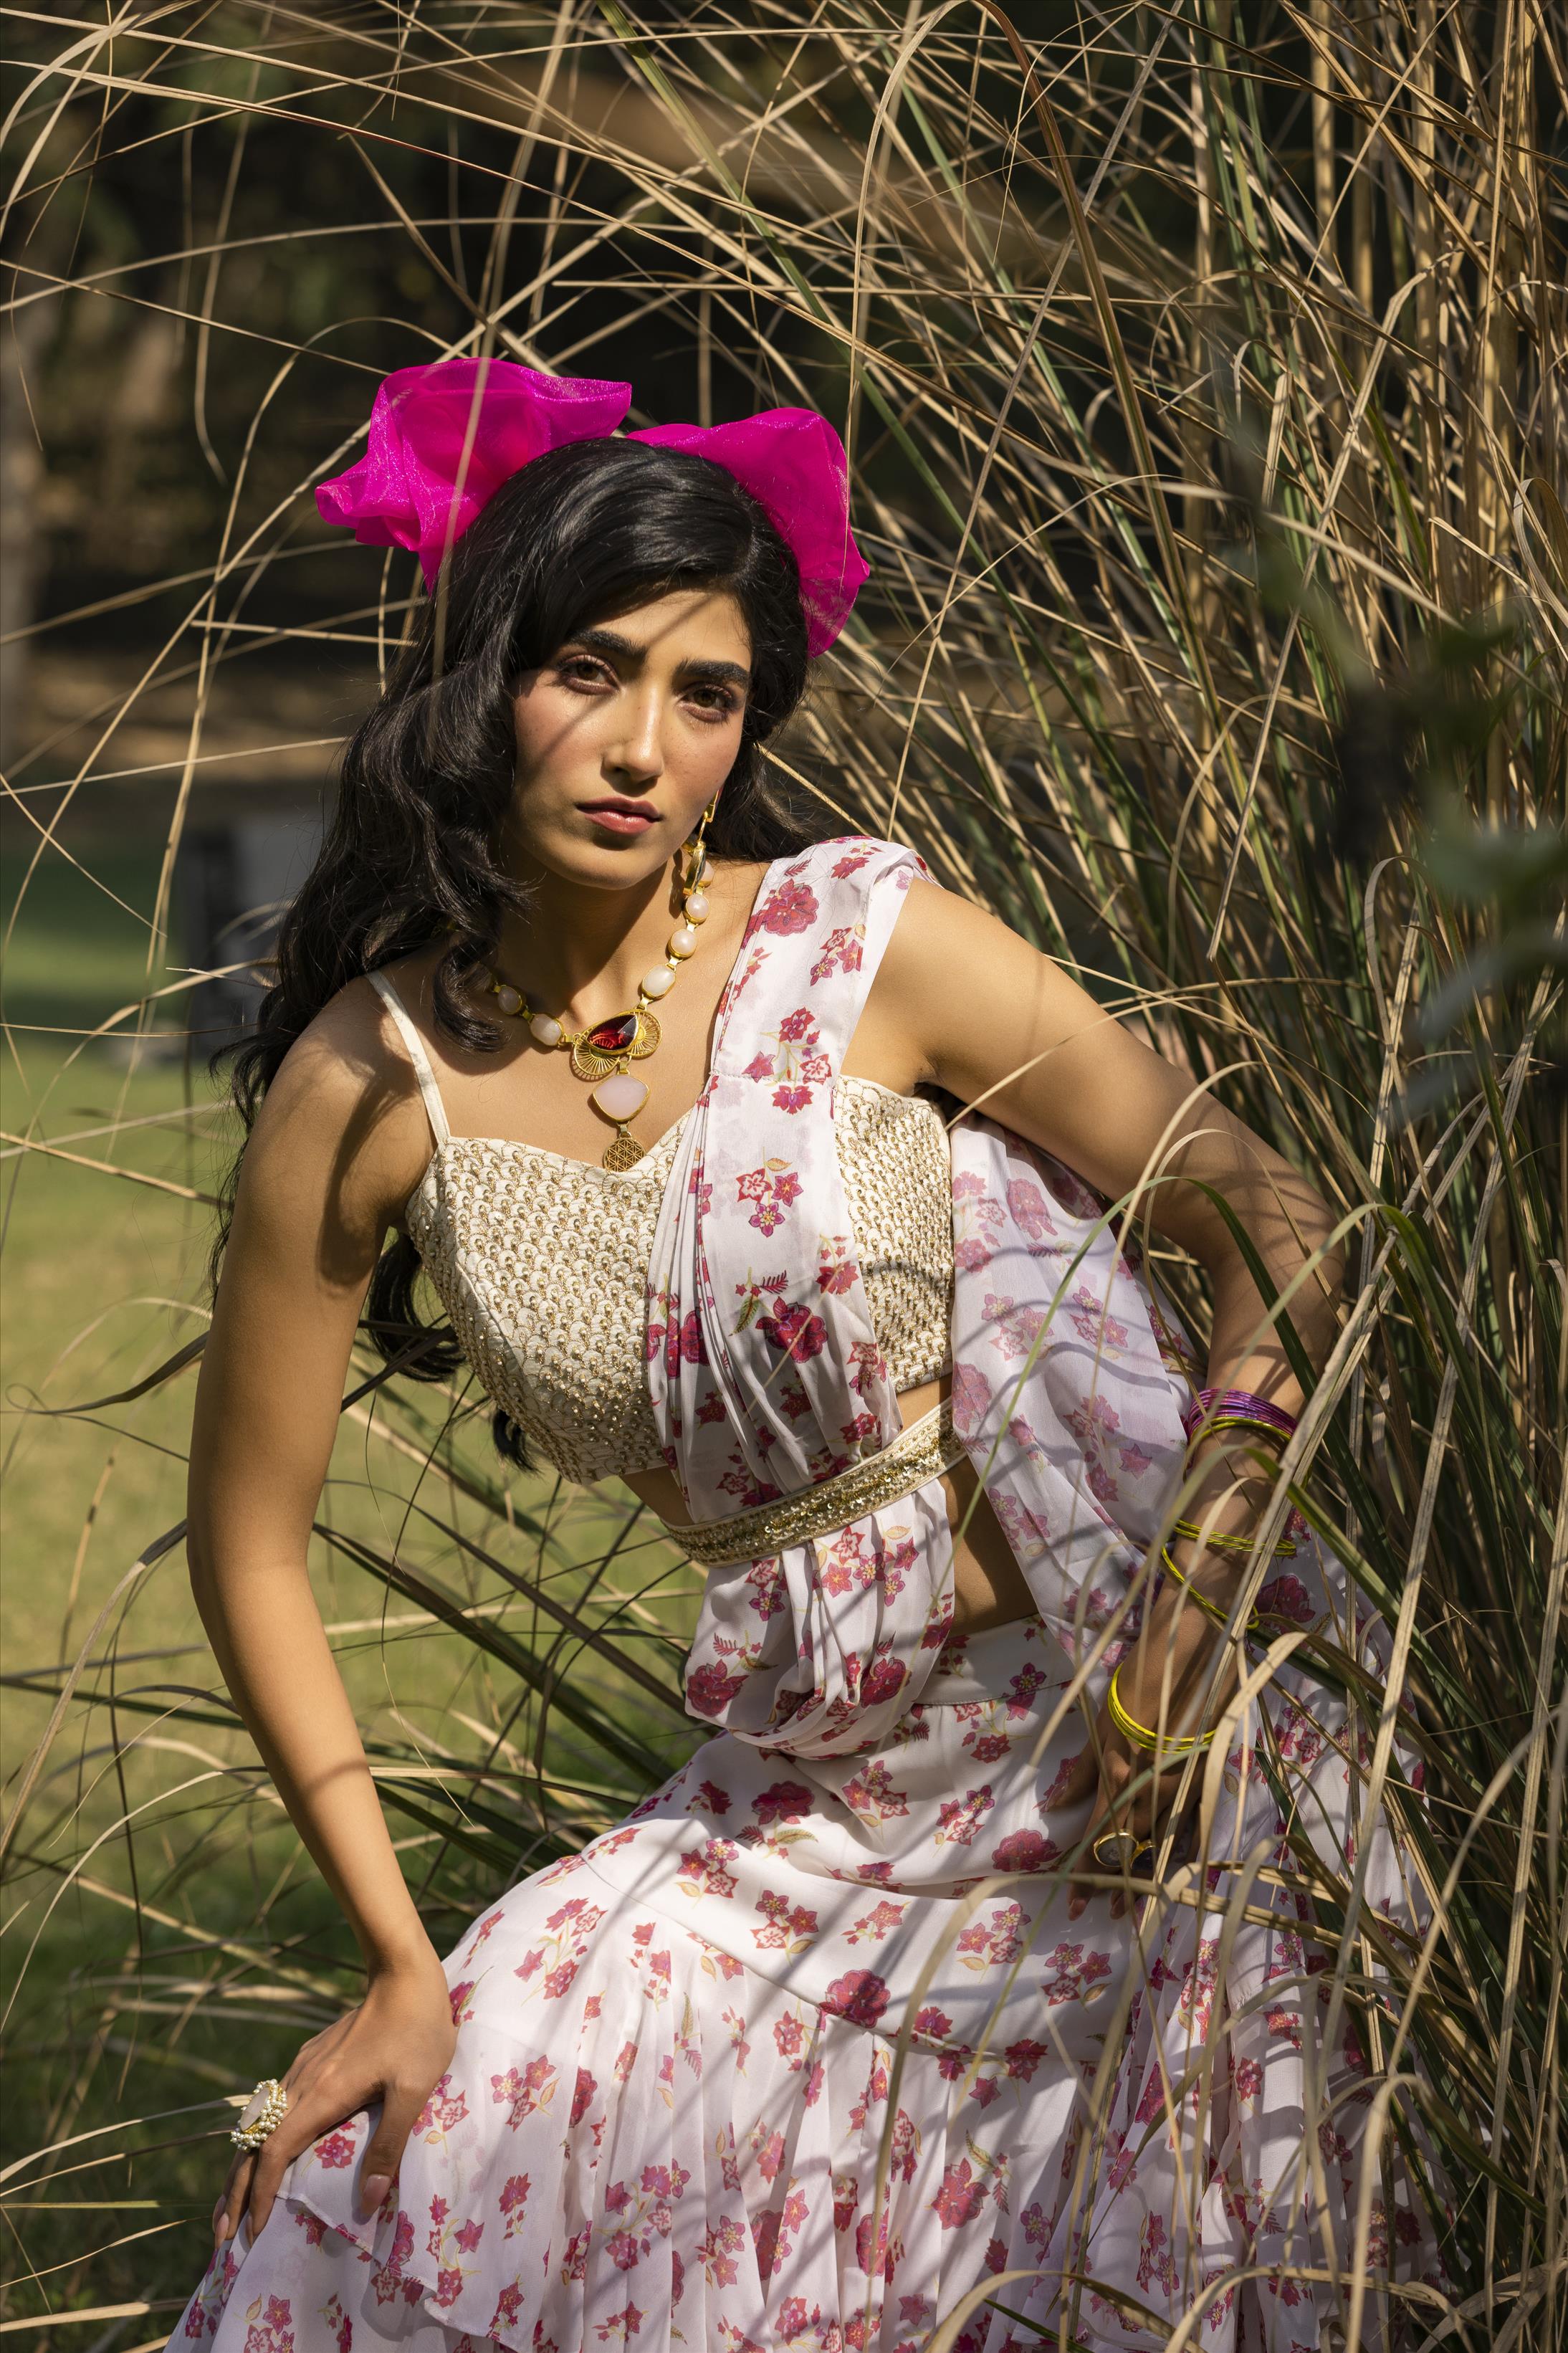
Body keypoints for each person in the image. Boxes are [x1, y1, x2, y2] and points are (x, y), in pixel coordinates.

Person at [171, 360, 1445, 2353]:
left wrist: (1196, 1590)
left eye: (708, 695)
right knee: (396, 2162)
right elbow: (251, 1538)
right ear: (477, 671)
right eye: (588, 670)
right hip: (790, 1813)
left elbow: (1256, 1215)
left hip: (1115, 1775)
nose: (643, 746)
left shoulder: (863, 946)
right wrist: (399, 1958)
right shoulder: (370, 1081)